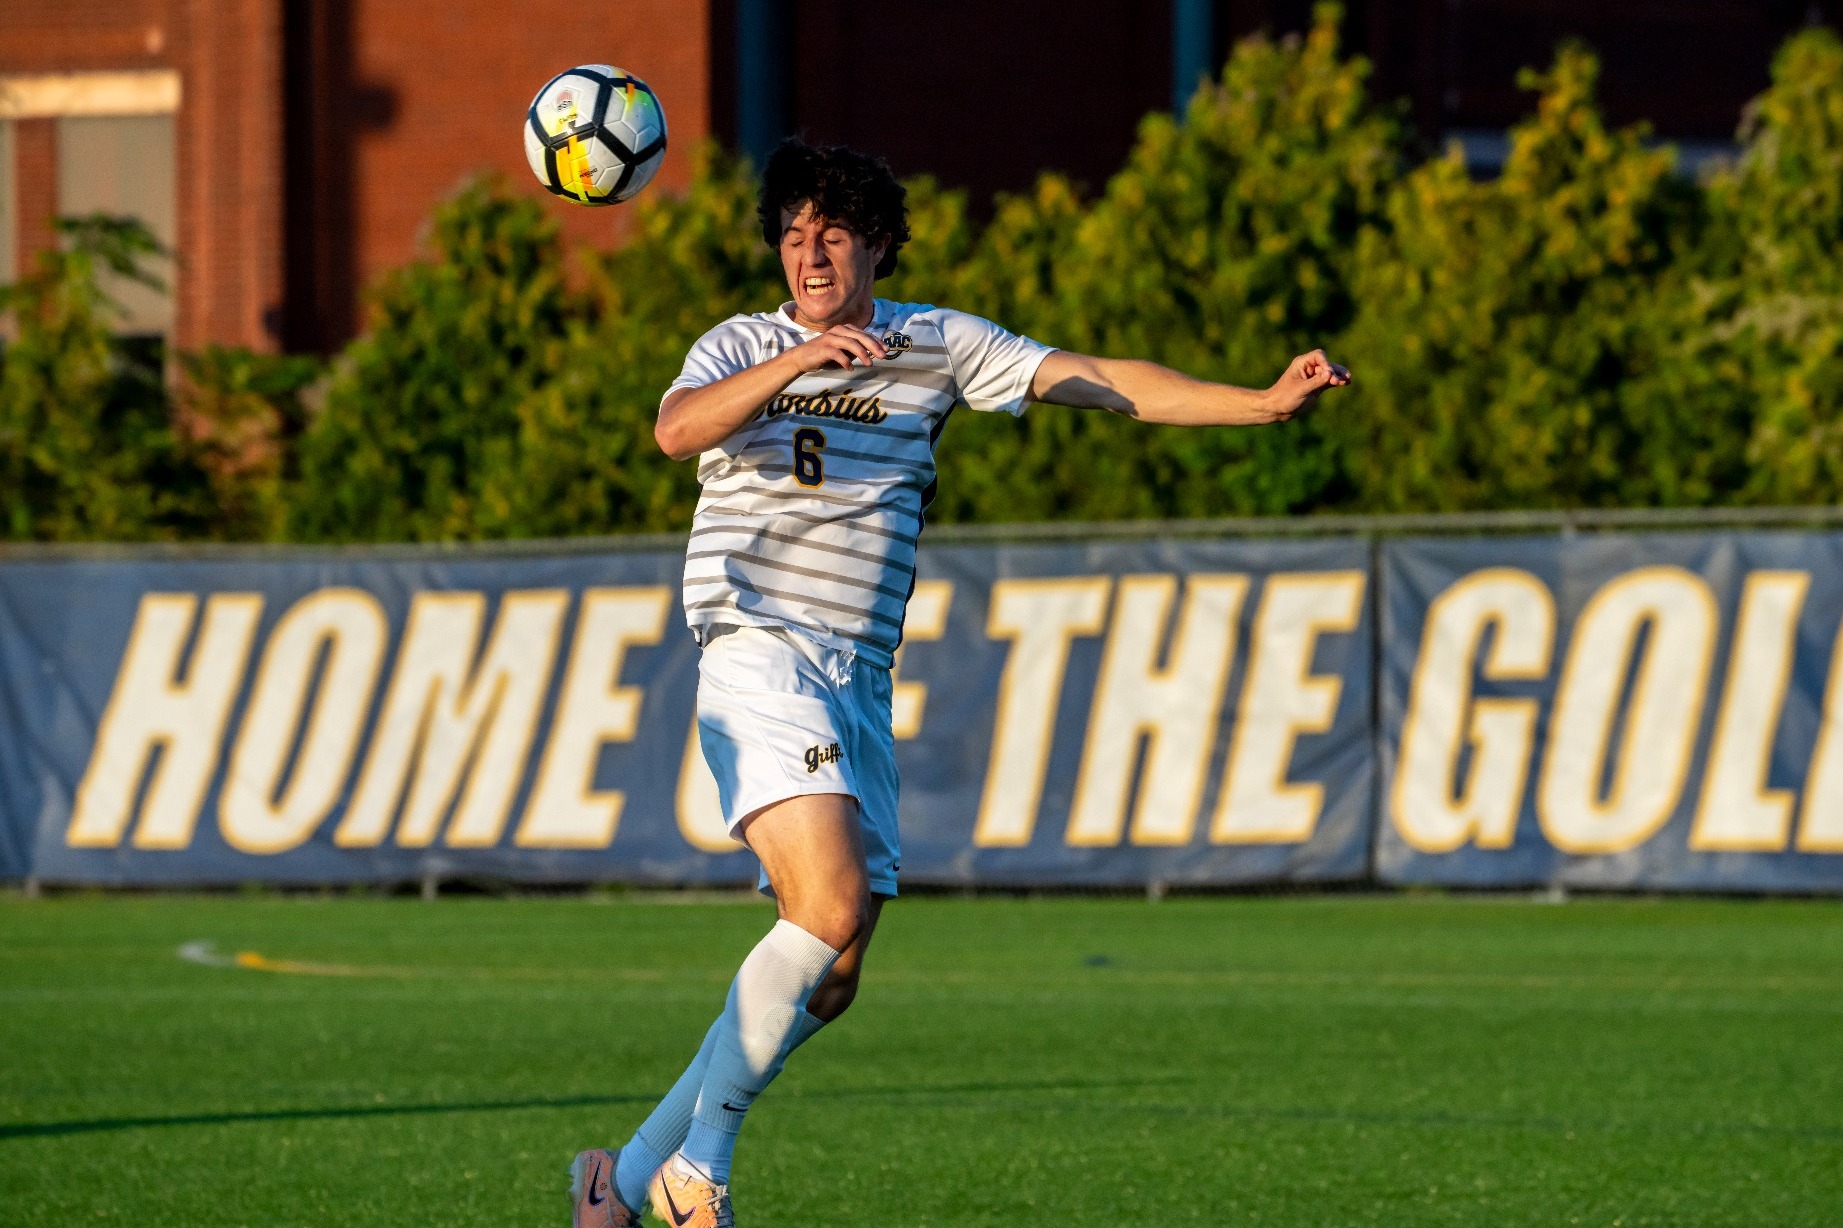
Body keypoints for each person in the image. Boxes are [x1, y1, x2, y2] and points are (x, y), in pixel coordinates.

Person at [568, 138, 1350, 1228]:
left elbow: (1103, 380)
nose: (809, 254)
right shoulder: (740, 343)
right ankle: (699, 1171)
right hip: (757, 644)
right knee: (826, 904)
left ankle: (620, 1178)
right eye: (792, 235)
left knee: (834, 970)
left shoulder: (934, 343)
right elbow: (674, 430)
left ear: (878, 243)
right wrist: (798, 361)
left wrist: (1259, 405)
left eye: (833, 233)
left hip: (858, 675)